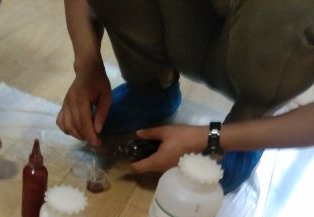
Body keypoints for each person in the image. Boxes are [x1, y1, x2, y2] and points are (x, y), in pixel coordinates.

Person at [57, 0, 314, 193]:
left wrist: (215, 138)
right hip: (187, 27)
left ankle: (248, 125)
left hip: (265, 48)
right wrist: (87, 64)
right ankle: (151, 87)